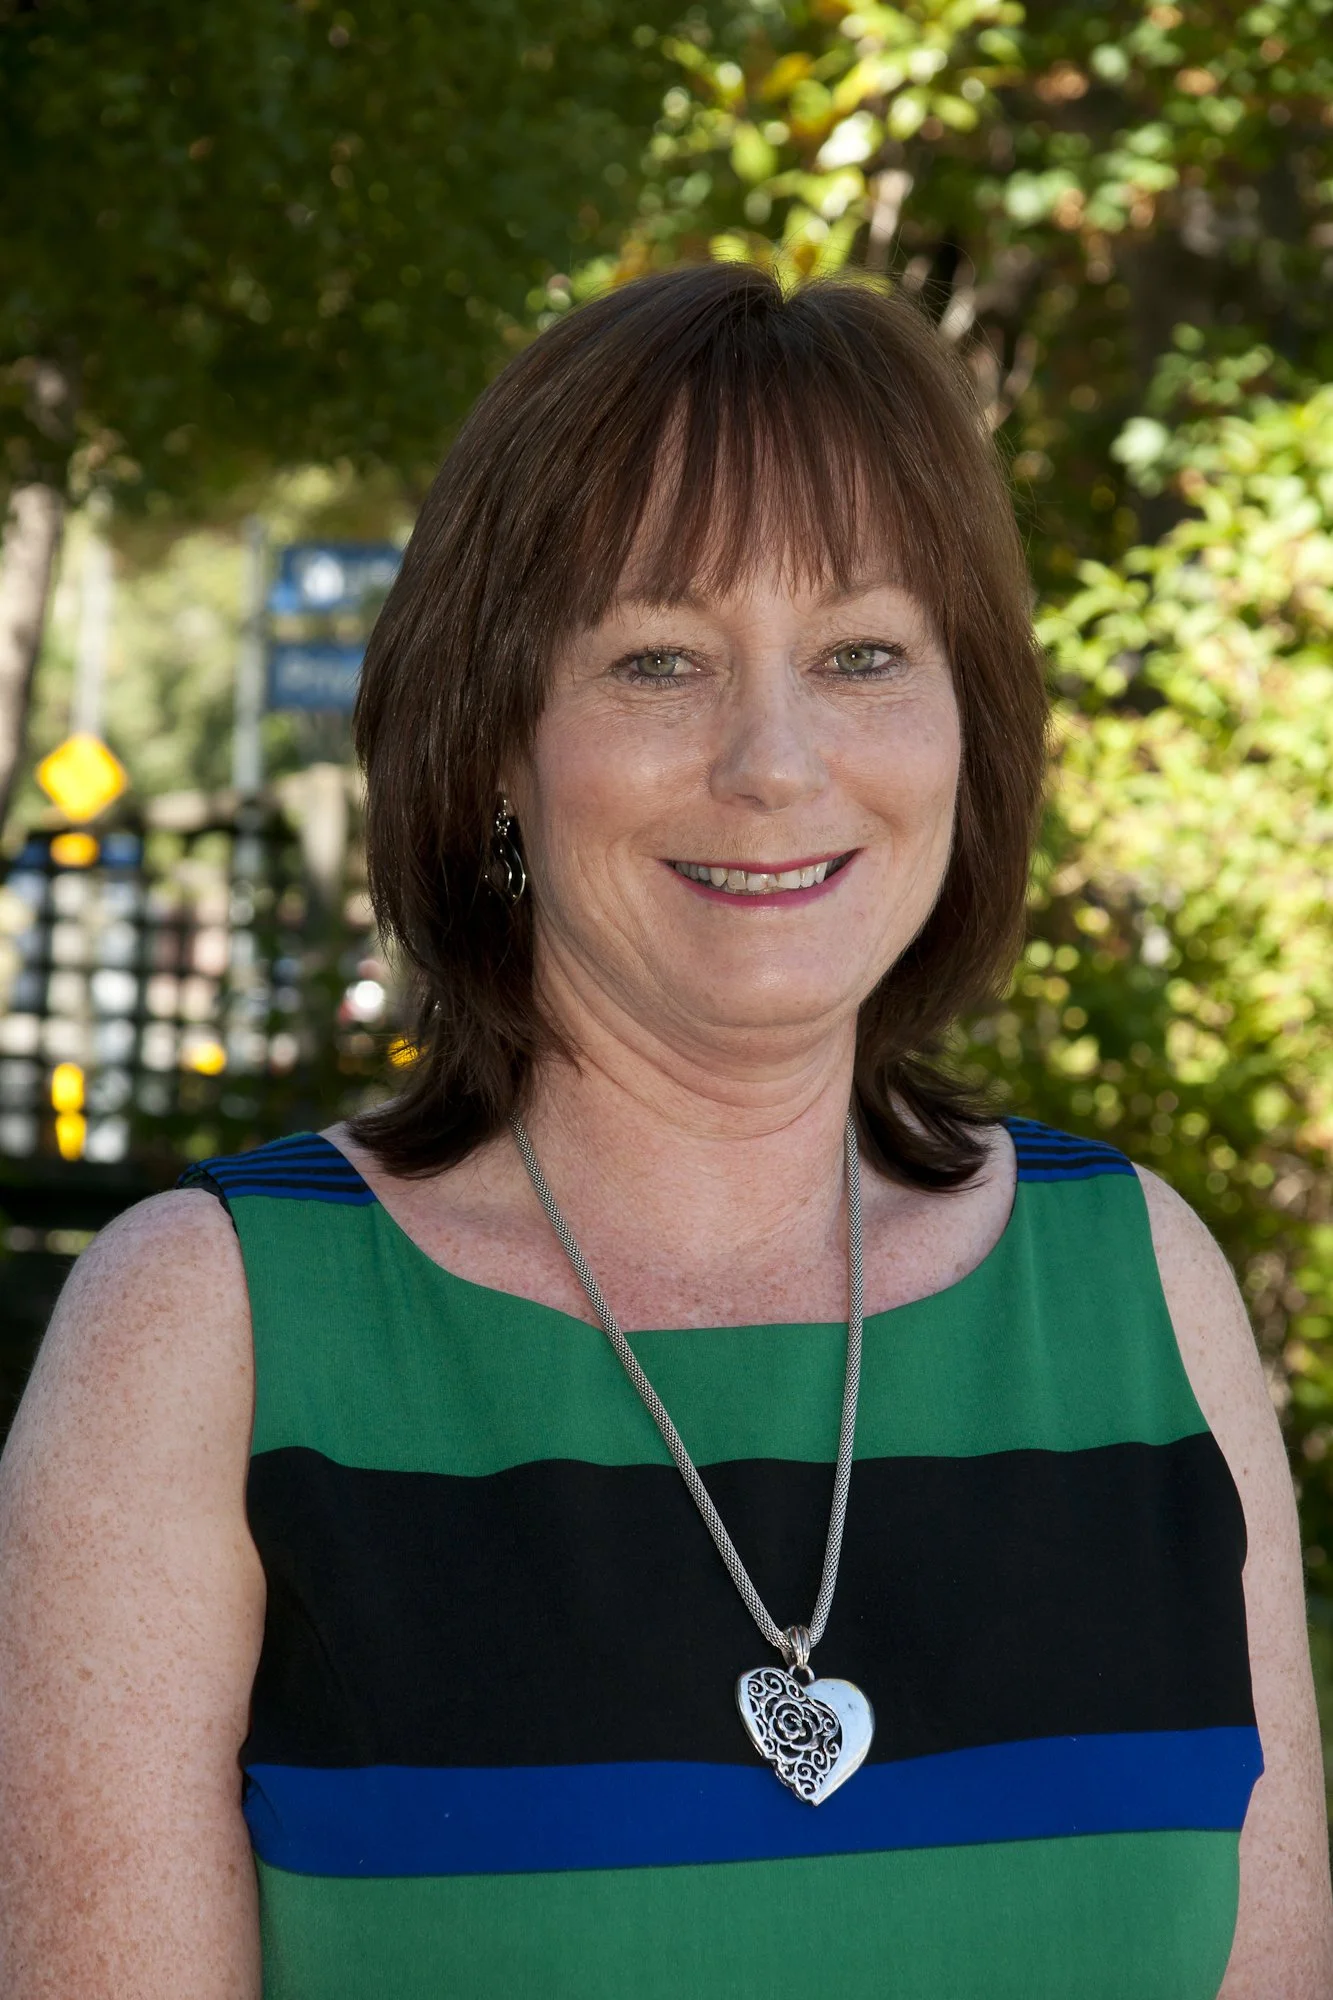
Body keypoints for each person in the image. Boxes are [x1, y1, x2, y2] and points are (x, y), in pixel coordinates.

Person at [0, 265, 1329, 2000]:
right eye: (658, 660)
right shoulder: (211, 1338)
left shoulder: (1142, 1286)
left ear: (965, 726)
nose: (775, 761)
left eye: (863, 653)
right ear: (493, 747)